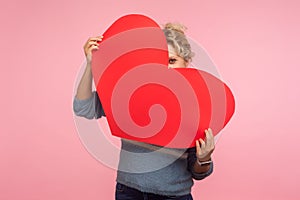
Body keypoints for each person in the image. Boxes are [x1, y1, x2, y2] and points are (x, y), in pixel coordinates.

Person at [73, 23, 215, 200]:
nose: (166, 68)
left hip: (173, 196)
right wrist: (90, 66)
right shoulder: (128, 93)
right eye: (159, 62)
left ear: (186, 62)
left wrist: (204, 159)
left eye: (172, 61)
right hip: (129, 192)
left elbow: (199, 172)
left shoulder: (197, 105)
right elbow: (83, 107)